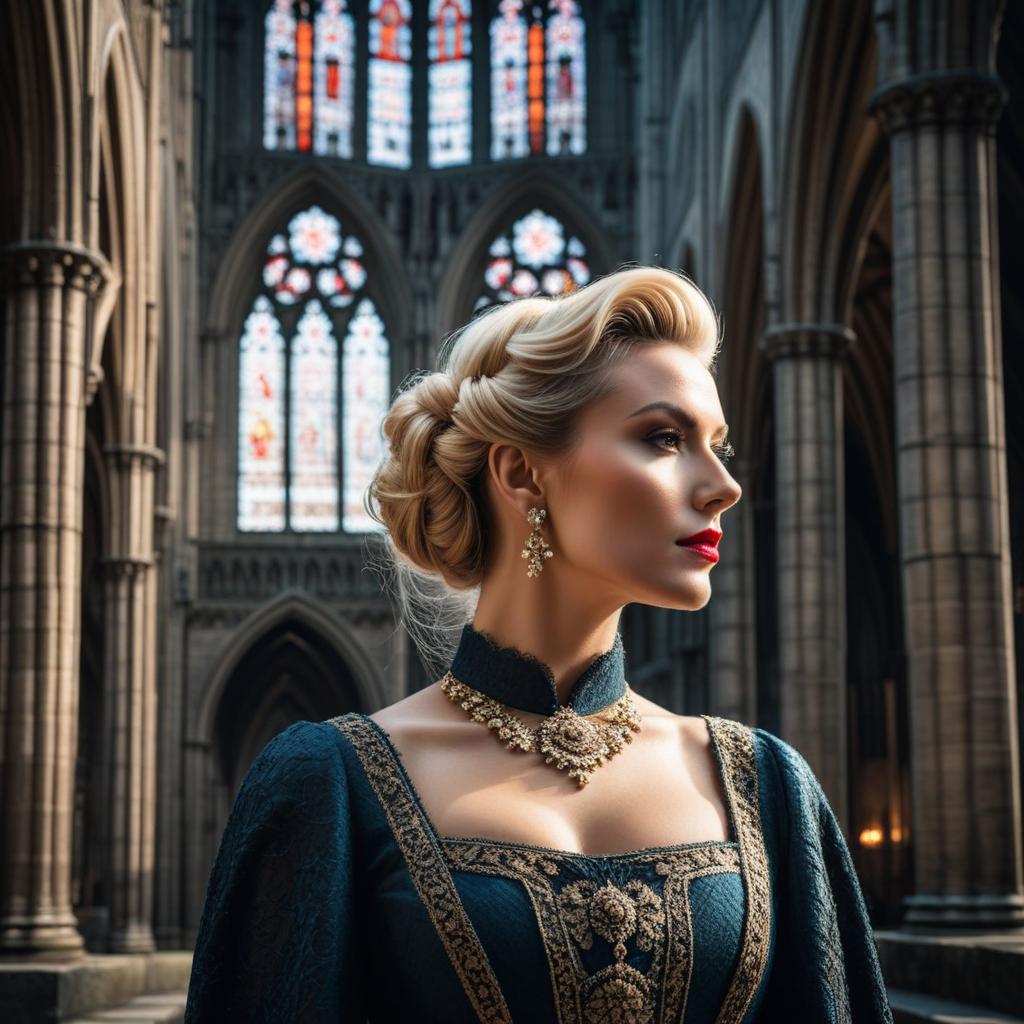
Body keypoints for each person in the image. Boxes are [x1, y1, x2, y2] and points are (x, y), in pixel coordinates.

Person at [183, 266, 894, 1022]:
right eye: (664, 438)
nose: (724, 484)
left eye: (716, 443)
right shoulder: (328, 785)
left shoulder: (768, 789)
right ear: (522, 472)